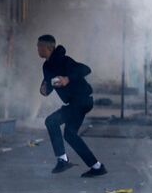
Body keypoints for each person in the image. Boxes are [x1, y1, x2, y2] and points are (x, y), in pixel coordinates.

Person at [37, 35, 107, 177]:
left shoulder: (64, 60)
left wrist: (67, 78)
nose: (37, 49)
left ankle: (63, 160)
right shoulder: (46, 66)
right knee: (69, 134)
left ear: (48, 47)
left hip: (82, 100)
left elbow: (86, 69)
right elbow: (49, 86)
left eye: (39, 46)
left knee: (52, 121)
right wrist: (44, 90)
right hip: (75, 103)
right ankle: (97, 166)